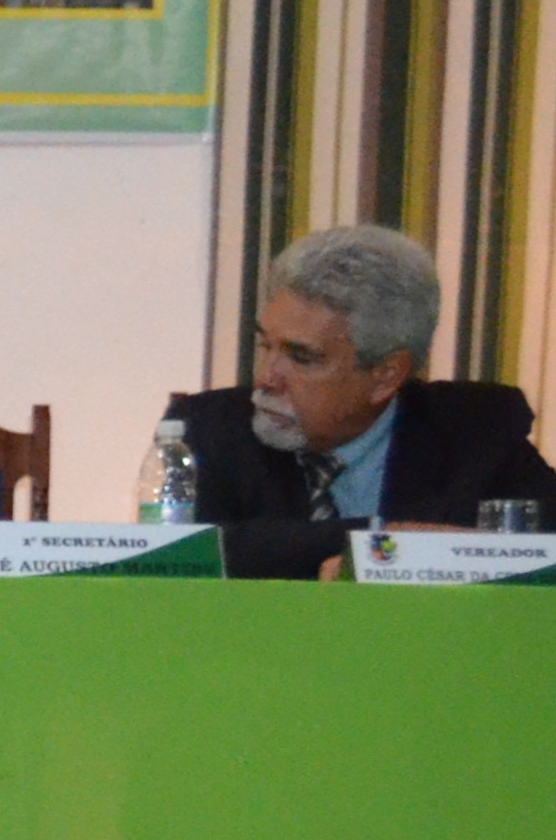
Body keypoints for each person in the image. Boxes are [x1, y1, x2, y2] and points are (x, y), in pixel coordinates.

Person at [167, 223, 556, 578]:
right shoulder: (206, 428)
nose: (266, 378)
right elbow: (189, 554)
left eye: (301, 358)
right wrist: (383, 539)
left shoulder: (476, 434)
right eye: (266, 346)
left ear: (387, 376)